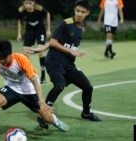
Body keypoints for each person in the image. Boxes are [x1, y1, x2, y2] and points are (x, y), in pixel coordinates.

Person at [0, 39, 69, 141]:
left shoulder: (20, 59)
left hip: (28, 89)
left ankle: (55, 120)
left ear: (10, 54)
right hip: (11, 88)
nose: (2, 62)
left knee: (47, 118)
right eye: (0, 59)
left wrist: (41, 101)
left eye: (5, 59)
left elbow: (34, 80)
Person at [35, 0, 102, 129]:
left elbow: (59, 43)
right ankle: (43, 115)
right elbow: (54, 42)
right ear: (74, 11)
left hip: (68, 65)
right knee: (59, 85)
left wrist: (44, 48)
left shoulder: (81, 29)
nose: (79, 14)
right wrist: (71, 51)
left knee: (88, 87)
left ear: (87, 13)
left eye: (83, 12)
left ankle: (86, 113)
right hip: (54, 62)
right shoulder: (65, 24)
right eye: (77, 11)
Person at [17, 0, 51, 84]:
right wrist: (19, 34)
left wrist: (48, 30)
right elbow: (19, 21)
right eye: (26, 3)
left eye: (30, 3)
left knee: (41, 52)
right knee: (25, 53)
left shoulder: (39, 8)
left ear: (34, 2)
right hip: (29, 31)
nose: (28, 5)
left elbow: (48, 14)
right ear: (23, 3)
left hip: (40, 30)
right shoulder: (21, 10)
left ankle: (43, 76)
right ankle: (28, 73)